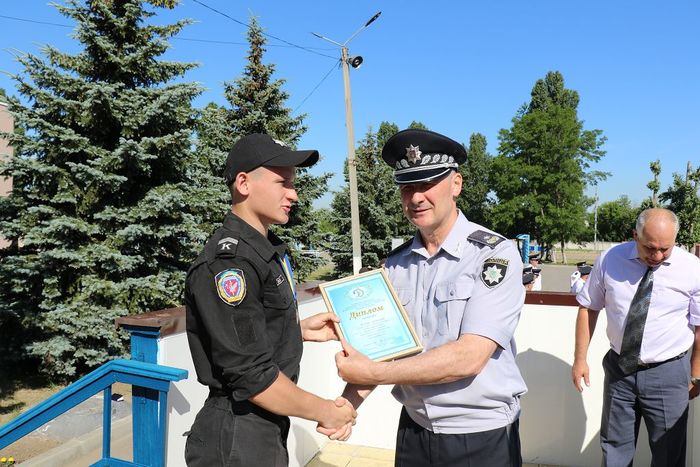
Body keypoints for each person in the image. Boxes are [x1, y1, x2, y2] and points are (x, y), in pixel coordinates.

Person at [332, 128, 527, 466]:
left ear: (456, 184)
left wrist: (372, 373)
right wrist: (346, 406)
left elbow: (469, 357)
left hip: (479, 435)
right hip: (415, 428)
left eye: (427, 184)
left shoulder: (493, 256)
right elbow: (383, 351)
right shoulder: (396, 264)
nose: (416, 197)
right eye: (408, 187)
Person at [184, 134, 356, 467]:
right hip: (237, 431)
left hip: (262, 426)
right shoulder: (230, 264)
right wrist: (326, 411)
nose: (293, 194)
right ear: (244, 183)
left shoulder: (263, 251)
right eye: (282, 183)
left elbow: (244, 332)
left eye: (293, 183)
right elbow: (252, 376)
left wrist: (297, 330)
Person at [572, 208, 700, 467]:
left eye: (665, 249)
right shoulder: (610, 259)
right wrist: (580, 359)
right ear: (635, 236)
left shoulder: (692, 268)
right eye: (650, 248)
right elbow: (588, 308)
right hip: (619, 370)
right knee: (614, 450)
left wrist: (696, 374)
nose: (657, 256)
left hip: (668, 373)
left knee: (669, 453)